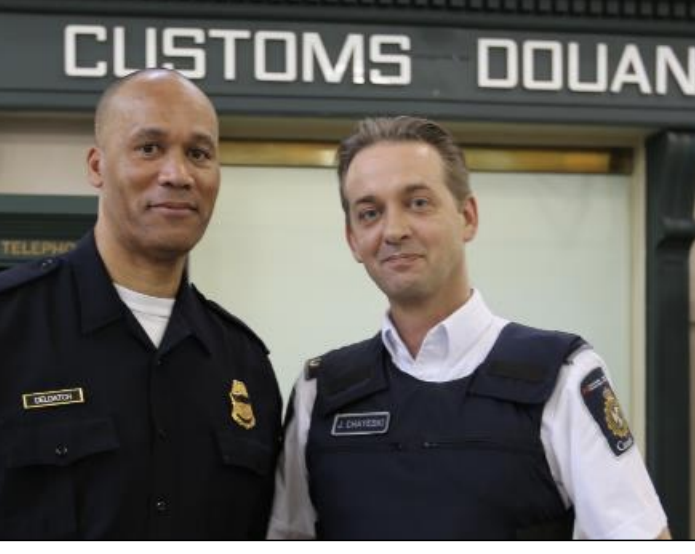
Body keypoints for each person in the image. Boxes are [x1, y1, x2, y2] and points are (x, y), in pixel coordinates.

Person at [0, 69, 282, 539]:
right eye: (149, 148)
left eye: (199, 154)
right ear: (96, 166)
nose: (178, 174)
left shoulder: (244, 364)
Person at [267, 116, 669, 540]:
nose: (394, 230)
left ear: (468, 217)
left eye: (418, 203)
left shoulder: (563, 376)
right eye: (370, 213)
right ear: (352, 239)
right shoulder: (319, 392)